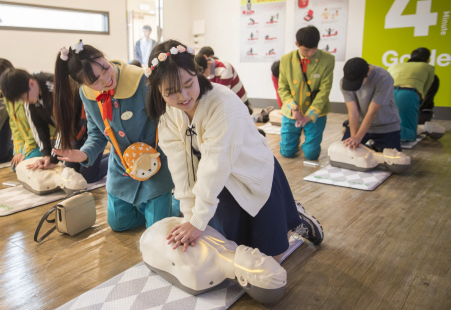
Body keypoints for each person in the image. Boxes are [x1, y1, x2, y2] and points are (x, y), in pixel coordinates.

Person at [145, 39, 324, 262]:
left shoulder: (222, 103)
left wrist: (198, 220)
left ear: (197, 72)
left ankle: (295, 219)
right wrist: (189, 217)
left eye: (189, 83)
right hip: (217, 183)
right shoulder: (168, 115)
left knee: (270, 260)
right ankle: (286, 219)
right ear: (158, 91)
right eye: (170, 92)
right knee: (230, 254)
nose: (183, 96)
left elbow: (215, 164)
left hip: (250, 172)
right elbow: (180, 167)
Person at [49, 41, 179, 231]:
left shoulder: (143, 81)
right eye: (95, 81)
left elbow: (169, 121)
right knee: (119, 223)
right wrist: (83, 154)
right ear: (84, 84)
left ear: (104, 57)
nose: (105, 79)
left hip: (154, 164)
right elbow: (97, 133)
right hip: (121, 167)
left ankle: (171, 205)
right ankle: (152, 209)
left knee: (157, 230)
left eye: (105, 68)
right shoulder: (87, 95)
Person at [0, 68, 108, 183]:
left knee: (88, 177)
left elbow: (64, 126)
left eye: (24, 98)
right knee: (72, 174)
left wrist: (53, 158)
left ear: (31, 83)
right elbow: (39, 130)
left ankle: (117, 160)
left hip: (89, 132)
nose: (25, 102)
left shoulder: (57, 88)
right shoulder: (30, 100)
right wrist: (46, 155)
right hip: (72, 136)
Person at [278, 26, 334, 160]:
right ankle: (294, 141)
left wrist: (310, 114)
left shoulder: (328, 59)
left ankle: (309, 144)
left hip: (316, 112)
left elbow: (324, 90)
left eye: (314, 49)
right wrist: (293, 107)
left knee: (311, 155)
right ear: (297, 44)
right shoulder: (286, 60)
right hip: (292, 112)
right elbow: (282, 88)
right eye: (306, 50)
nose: (310, 53)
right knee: (286, 153)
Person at [0, 58, 48, 170]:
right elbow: (14, 124)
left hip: (39, 140)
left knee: (24, 166)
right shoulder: (7, 95)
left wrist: (25, 151)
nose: (1, 83)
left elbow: (35, 126)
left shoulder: (25, 93)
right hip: (30, 140)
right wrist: (18, 152)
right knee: (15, 166)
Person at [340, 57, 402, 152]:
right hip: (359, 125)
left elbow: (372, 112)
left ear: (368, 73)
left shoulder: (383, 77)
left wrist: (358, 137)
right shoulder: (345, 81)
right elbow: (353, 111)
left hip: (385, 126)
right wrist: (354, 138)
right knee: (344, 155)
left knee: (393, 163)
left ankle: (373, 147)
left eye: (357, 82)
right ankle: (369, 147)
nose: (354, 85)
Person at [388, 47, 435, 142]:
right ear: (428, 60)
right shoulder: (428, 67)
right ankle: (386, 134)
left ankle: (377, 133)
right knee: (410, 134)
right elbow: (425, 90)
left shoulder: (395, 66)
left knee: (390, 122)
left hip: (388, 94)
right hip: (408, 95)